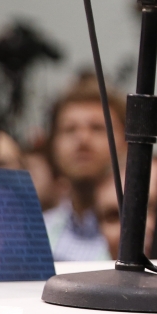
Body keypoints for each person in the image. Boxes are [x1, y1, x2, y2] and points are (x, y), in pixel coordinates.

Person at [43, 83, 125, 262]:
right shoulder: (36, 235)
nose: (82, 139)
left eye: (97, 128)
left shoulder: (148, 236)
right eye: (69, 129)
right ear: (53, 145)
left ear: (127, 141)